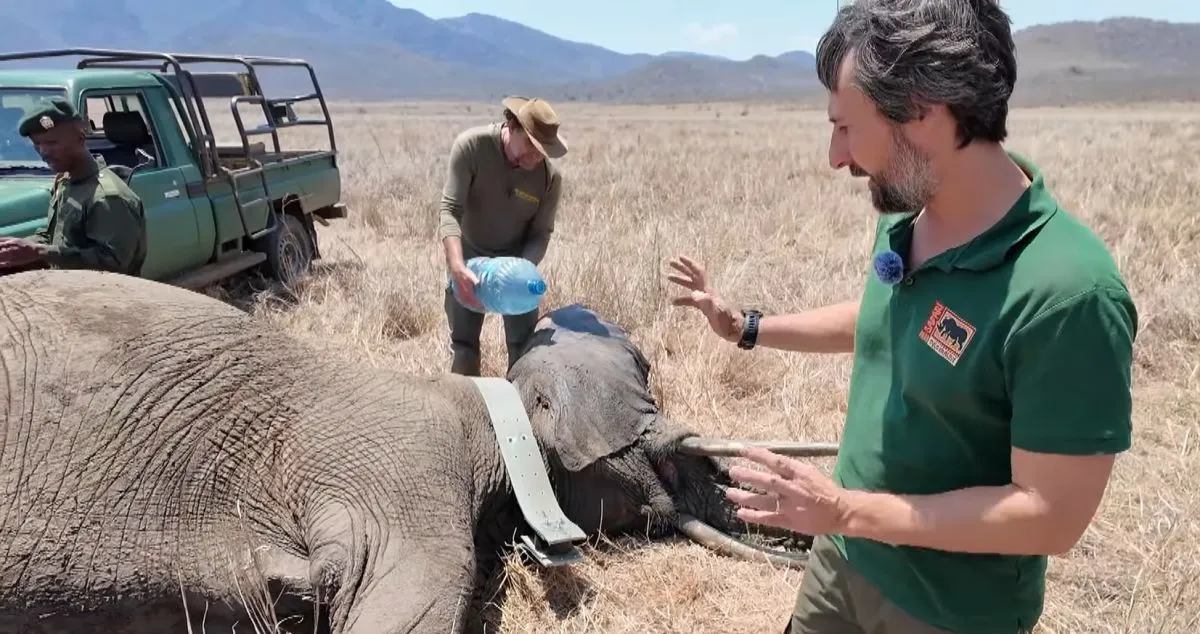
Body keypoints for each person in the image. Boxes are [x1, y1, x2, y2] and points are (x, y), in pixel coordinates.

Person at [667, 1, 1138, 633]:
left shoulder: (1067, 291)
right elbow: (891, 316)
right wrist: (748, 327)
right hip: (841, 560)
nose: (836, 156)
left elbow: (1051, 516)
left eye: (846, 127)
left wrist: (845, 510)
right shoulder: (909, 216)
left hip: (950, 610)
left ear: (924, 109)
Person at [436, 96, 565, 376]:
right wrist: (457, 266)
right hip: (470, 262)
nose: (536, 156)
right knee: (464, 346)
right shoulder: (472, 147)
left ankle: (520, 414)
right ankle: (464, 412)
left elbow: (541, 233)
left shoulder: (548, 179)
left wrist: (521, 270)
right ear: (511, 125)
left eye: (543, 151)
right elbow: (450, 210)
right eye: (531, 144)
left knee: (523, 351)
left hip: (516, 270)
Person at [0, 97, 147, 276]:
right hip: (69, 288)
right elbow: (53, 238)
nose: (44, 152)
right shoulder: (65, 181)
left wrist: (40, 252)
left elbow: (114, 264)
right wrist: (13, 249)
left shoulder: (107, 197)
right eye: (37, 144)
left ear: (80, 138)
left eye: (52, 143)